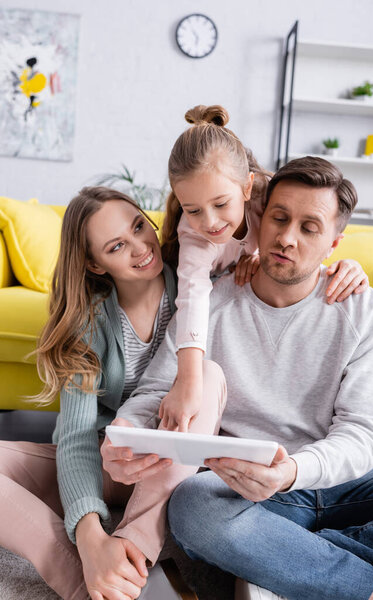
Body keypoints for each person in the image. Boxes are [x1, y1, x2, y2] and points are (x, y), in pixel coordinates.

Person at [112, 157, 373, 600]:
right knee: (193, 506)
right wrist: (126, 432)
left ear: (334, 243)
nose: (286, 238)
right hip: (238, 487)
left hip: (333, 480)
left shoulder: (364, 310)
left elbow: (364, 435)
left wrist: (293, 472)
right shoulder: (210, 302)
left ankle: (287, 563)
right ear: (258, 218)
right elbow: (156, 390)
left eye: (309, 227)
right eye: (279, 218)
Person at [0, 186, 227, 600]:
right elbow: (76, 437)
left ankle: (132, 549)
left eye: (139, 226)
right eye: (117, 246)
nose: (141, 247)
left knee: (206, 375)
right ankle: (87, 579)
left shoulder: (200, 286)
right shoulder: (87, 322)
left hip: (184, 464)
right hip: (113, 464)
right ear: (94, 263)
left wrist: (340, 269)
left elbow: (262, 234)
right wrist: (88, 536)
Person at [158, 104, 369, 433]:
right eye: (193, 209)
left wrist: (349, 265)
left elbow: (311, 238)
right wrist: (188, 382)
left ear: (246, 187)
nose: (210, 222)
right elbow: (193, 299)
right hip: (210, 292)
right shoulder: (194, 237)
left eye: (221, 204)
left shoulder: (267, 197)